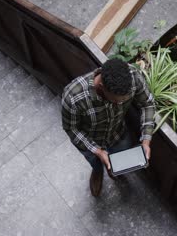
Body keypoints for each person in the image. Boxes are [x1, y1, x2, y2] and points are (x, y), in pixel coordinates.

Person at [61, 58, 155, 197]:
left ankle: (116, 170)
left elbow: (148, 104)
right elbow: (72, 129)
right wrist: (98, 152)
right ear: (102, 86)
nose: (120, 104)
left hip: (118, 134)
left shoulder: (133, 76)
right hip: (91, 142)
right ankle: (97, 171)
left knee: (119, 161)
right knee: (95, 162)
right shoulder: (73, 97)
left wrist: (146, 140)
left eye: (125, 100)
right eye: (117, 100)